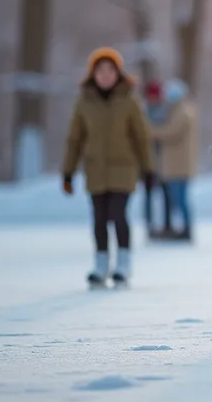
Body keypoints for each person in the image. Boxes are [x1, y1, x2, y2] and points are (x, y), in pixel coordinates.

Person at [62, 48, 156, 289]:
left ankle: (123, 264)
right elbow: (75, 139)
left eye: (110, 70)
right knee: (99, 218)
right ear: (93, 74)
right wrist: (68, 171)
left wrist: (148, 169)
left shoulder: (129, 101)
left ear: (118, 73)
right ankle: (101, 264)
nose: (105, 75)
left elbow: (141, 138)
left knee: (118, 214)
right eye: (100, 71)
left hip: (123, 169)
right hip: (95, 170)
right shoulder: (84, 103)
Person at [148, 79, 198, 241]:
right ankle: (182, 228)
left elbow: (171, 132)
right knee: (177, 199)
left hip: (179, 165)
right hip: (175, 165)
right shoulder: (177, 111)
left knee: (180, 200)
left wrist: (151, 131)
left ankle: (186, 230)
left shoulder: (183, 112)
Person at [142, 80, 172, 239]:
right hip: (147, 162)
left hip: (164, 162)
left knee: (166, 196)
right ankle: (149, 225)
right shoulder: (142, 111)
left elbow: (166, 132)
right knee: (148, 196)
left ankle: (167, 225)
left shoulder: (165, 112)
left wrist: (151, 132)